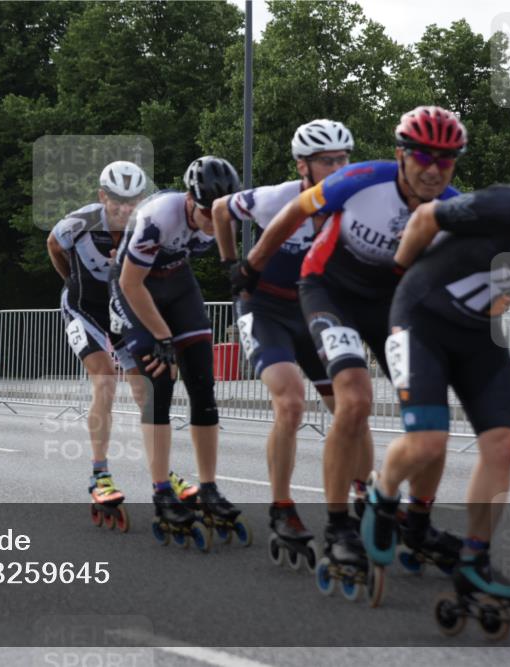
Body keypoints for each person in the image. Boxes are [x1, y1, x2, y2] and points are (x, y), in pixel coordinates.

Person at [232, 106, 466, 591]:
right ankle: (338, 524)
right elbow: (295, 211)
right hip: (328, 290)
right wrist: (250, 266)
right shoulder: (360, 180)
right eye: (422, 156)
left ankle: (417, 523)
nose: (433, 169)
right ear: (400, 157)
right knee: (353, 399)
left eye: (446, 160)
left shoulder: (451, 204)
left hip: (389, 302)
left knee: (432, 414)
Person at [362, 185, 510, 630]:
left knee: (504, 443)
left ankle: (475, 558)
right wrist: (396, 273)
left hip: (476, 336)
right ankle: (383, 493)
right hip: (419, 317)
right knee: (429, 440)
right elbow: (426, 217)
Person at [213, 120, 351, 567]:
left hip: (314, 310)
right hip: (266, 310)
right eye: (327, 161)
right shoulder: (275, 198)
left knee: (351, 405)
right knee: (291, 405)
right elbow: (219, 209)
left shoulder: (352, 201)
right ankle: (282, 505)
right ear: (303, 167)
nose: (337, 168)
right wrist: (230, 263)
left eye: (342, 159)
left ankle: (367, 495)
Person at [110, 155, 248, 547]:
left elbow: (225, 243)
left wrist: (232, 268)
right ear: (190, 199)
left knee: (203, 384)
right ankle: (161, 491)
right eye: (206, 210)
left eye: (220, 211)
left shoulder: (221, 214)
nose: (212, 218)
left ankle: (208, 488)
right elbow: (130, 283)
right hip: (137, 290)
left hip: (178, 282)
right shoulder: (158, 217)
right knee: (161, 384)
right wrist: (162, 338)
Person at [47, 161, 147, 525]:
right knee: (105, 379)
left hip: (120, 309)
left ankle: (162, 476)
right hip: (81, 308)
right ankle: (100, 473)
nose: (125, 208)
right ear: (102, 196)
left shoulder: (144, 226)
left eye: (133, 200)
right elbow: (53, 246)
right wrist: (71, 281)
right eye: (117, 200)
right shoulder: (81, 221)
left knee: (145, 389)